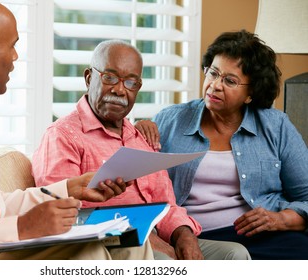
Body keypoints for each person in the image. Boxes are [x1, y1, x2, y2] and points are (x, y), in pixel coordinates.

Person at [0, 0, 154, 260]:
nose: (16, 57)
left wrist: (70, 188)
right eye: (13, 46)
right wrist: (20, 228)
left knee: (132, 238)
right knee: (90, 253)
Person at [32, 39, 251, 260]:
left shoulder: (140, 138)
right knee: (162, 261)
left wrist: (185, 236)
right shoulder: (62, 136)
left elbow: (167, 205)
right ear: (89, 78)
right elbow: (59, 214)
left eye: (130, 82)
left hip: (155, 239)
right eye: (109, 78)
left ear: (138, 88)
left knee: (234, 254)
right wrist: (140, 235)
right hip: (107, 245)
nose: (119, 90)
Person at [135, 30, 308, 260]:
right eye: (213, 73)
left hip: (262, 236)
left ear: (251, 93)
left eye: (229, 80)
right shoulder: (171, 120)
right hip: (193, 237)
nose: (215, 85)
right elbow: (138, 182)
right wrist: (136, 131)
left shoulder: (275, 126)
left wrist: (279, 219)